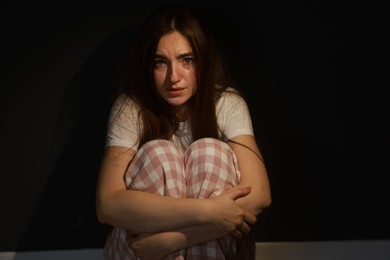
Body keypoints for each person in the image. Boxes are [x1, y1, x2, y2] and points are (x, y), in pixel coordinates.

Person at [96, 4, 271, 260]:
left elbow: (260, 195)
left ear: (203, 61)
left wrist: (172, 240)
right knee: (160, 153)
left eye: (186, 60)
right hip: (136, 249)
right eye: (160, 63)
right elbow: (107, 204)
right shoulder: (131, 108)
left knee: (209, 151)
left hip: (157, 244)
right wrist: (209, 212)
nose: (173, 77)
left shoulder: (226, 103)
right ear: (147, 67)